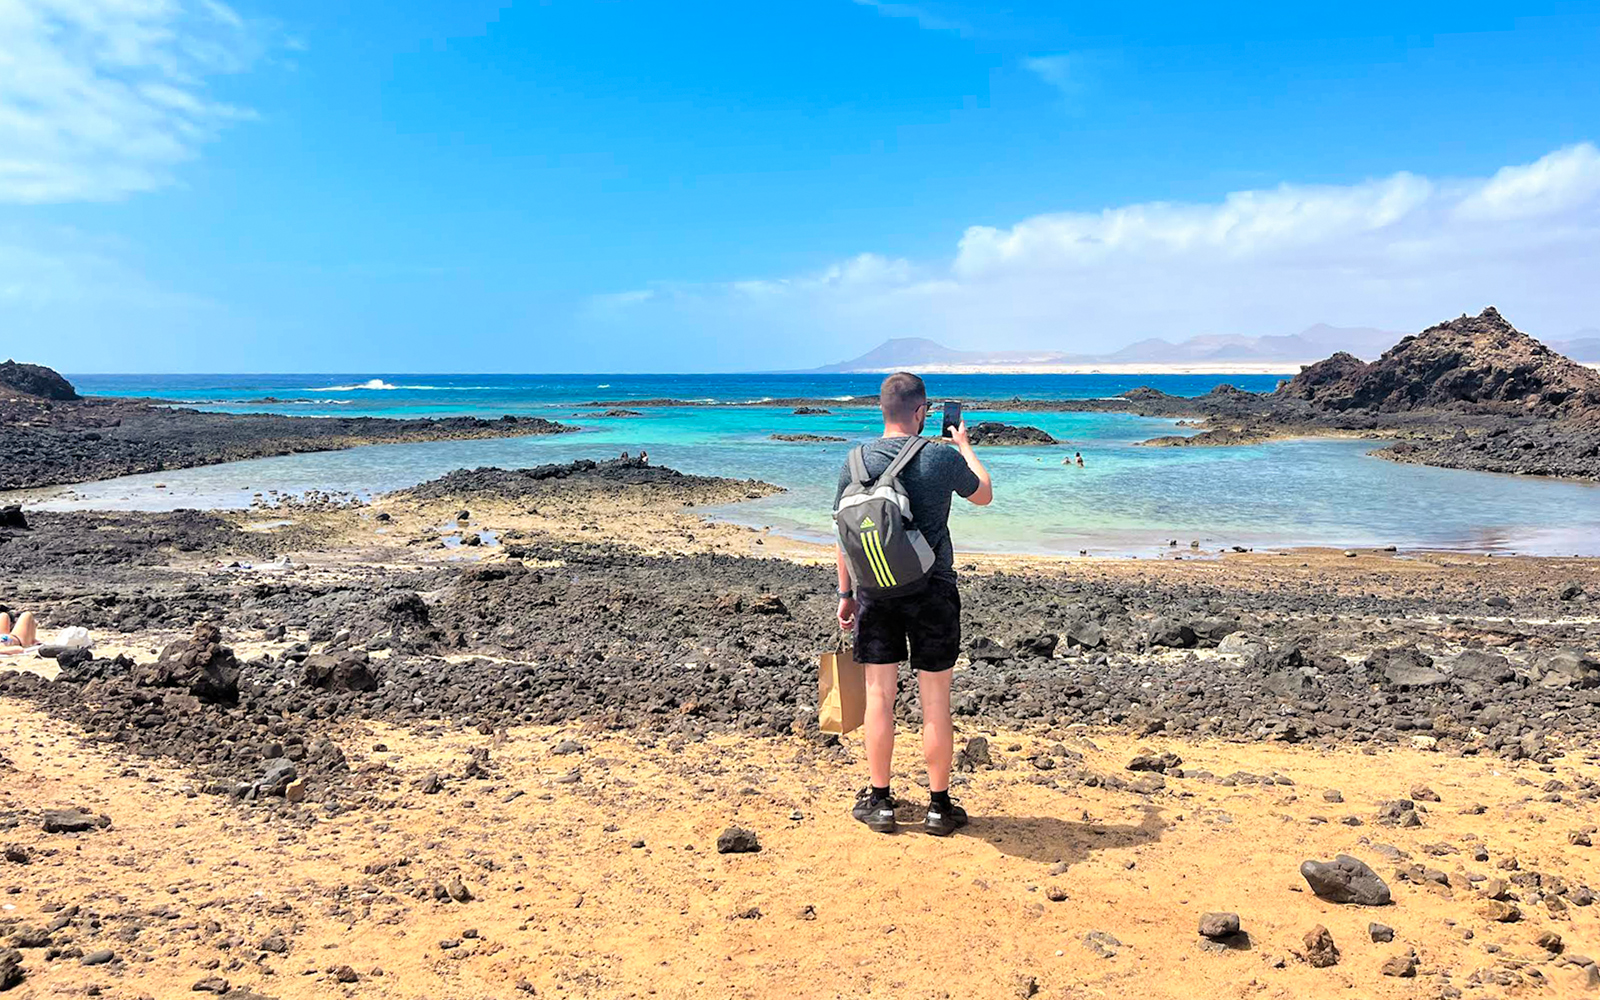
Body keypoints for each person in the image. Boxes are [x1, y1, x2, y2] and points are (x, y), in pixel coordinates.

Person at [834, 372, 992, 836]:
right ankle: (940, 807)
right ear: (922, 412)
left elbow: (842, 535)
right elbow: (983, 494)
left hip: (874, 591)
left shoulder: (854, 461)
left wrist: (845, 595)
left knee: (880, 697)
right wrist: (963, 445)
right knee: (935, 701)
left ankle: (880, 801)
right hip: (933, 588)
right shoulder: (939, 456)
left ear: (882, 410)